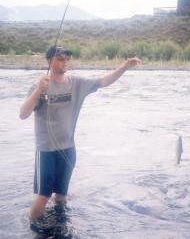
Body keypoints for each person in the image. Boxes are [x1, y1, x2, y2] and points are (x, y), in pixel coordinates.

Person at [19, 45, 141, 222]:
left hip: (68, 149)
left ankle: (59, 225)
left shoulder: (76, 83)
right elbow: (23, 114)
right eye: (60, 59)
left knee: (61, 195)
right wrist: (39, 90)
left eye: (66, 58)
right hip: (46, 150)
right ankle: (32, 228)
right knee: (43, 196)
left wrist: (124, 67)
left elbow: (104, 81)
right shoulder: (39, 86)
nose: (65, 62)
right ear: (49, 61)